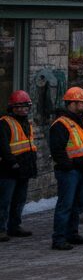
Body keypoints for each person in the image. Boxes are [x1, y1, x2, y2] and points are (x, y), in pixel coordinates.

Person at [49, 86, 83, 250]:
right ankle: (59, 238)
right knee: (66, 204)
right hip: (69, 171)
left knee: (76, 204)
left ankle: (72, 234)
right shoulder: (61, 124)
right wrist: (70, 166)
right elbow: (57, 150)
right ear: (72, 103)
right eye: (81, 103)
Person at [0, 90, 37, 241]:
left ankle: (14, 226)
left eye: (24, 106)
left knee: (19, 200)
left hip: (24, 168)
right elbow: (3, 146)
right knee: (4, 201)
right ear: (12, 108)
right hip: (8, 170)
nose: (22, 109)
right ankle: (1, 229)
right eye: (18, 107)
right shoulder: (4, 123)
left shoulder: (27, 123)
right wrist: (13, 163)